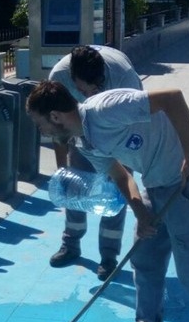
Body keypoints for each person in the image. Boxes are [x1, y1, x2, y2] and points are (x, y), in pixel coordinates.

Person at [25, 81, 189, 322]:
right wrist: (141, 214)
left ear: (55, 116)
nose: (41, 131)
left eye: (39, 123)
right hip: (156, 185)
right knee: (145, 258)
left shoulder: (105, 110)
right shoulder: (85, 141)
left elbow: (172, 97)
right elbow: (121, 176)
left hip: (187, 178)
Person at [46, 45, 143, 280]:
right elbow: (57, 127)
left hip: (118, 133)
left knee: (115, 193)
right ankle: (71, 244)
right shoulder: (58, 79)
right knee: (75, 188)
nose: (91, 92)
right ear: (72, 78)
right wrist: (63, 171)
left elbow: (138, 122)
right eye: (84, 88)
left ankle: (109, 256)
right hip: (80, 133)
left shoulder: (124, 77)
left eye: (97, 86)